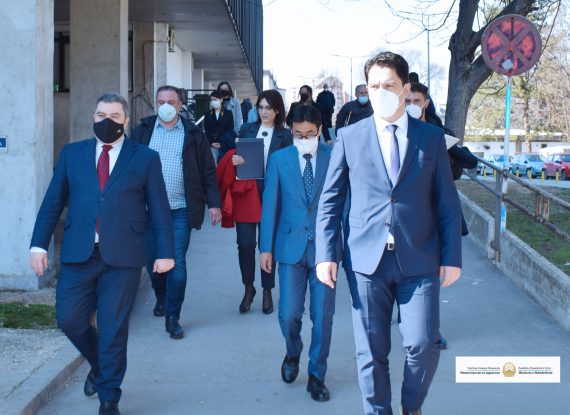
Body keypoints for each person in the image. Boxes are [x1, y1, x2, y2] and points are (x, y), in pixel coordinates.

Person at [315, 52, 462, 415]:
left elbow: (447, 202)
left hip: (420, 258)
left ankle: (411, 406)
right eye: (374, 86)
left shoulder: (431, 138)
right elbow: (330, 200)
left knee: (424, 345)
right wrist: (325, 254)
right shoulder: (350, 137)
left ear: (405, 88)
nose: (381, 92)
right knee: (370, 352)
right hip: (366, 262)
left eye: (389, 85)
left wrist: (452, 258)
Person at [29, 93, 175, 415]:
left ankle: (109, 397)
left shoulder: (145, 158)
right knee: (69, 319)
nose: (106, 121)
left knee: (112, 328)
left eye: (114, 116)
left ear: (126, 120)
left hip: (123, 257)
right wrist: (38, 245)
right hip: (78, 254)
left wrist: (165, 252)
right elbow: (53, 201)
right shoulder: (72, 154)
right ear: (93, 117)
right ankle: (98, 365)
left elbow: (160, 209)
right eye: (100, 115)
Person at [259, 105, 341, 402]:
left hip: (325, 251)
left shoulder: (335, 157)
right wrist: (265, 248)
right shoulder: (279, 159)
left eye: (309, 134)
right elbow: (270, 205)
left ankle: (317, 375)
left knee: (322, 316)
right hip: (289, 247)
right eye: (298, 134)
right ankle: (293, 352)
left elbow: (343, 203)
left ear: (320, 131)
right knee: (289, 313)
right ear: (291, 131)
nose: (304, 139)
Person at [130, 85, 222, 340]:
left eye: (171, 101)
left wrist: (214, 203)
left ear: (181, 105)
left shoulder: (193, 133)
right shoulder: (143, 131)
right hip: (148, 211)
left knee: (177, 262)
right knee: (153, 261)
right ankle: (161, 296)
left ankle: (173, 316)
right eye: (161, 101)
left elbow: (207, 170)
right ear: (155, 104)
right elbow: (127, 168)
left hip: (180, 209)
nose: (166, 106)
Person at [228, 89, 293, 314]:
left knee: (268, 245)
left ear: (278, 111)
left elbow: (289, 167)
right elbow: (236, 156)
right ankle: (249, 287)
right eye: (261, 107)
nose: (264, 112)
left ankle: (267, 290)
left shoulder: (285, 136)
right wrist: (235, 160)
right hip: (247, 194)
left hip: (272, 196)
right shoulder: (247, 129)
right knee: (245, 244)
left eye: (269, 108)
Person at [204, 90, 237, 161]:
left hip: (225, 145)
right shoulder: (207, 114)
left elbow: (230, 130)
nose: (213, 102)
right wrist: (211, 143)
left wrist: (222, 143)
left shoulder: (228, 113)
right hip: (212, 146)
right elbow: (207, 130)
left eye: (215, 99)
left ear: (221, 100)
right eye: (211, 100)